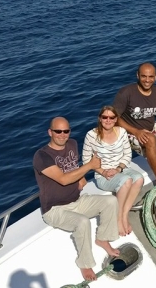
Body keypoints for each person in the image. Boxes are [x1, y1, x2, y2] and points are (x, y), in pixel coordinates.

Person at [33, 117, 119, 281]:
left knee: (110, 201)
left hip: (77, 200)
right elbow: (63, 179)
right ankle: (84, 263)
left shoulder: (72, 143)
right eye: (58, 131)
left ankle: (102, 239)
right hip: (55, 209)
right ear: (50, 132)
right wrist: (90, 166)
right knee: (82, 222)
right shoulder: (42, 156)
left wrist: (80, 177)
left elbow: (73, 166)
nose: (62, 135)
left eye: (66, 131)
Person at [82, 106, 144, 236]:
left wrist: (118, 169)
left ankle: (124, 214)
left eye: (111, 117)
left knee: (139, 179)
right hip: (102, 176)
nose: (108, 120)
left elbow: (127, 154)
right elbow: (86, 161)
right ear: (100, 118)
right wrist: (103, 172)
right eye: (105, 117)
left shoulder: (121, 132)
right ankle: (118, 219)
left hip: (121, 169)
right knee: (126, 181)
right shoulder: (91, 135)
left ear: (116, 119)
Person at [113, 62, 156, 184]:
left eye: (151, 77)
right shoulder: (126, 92)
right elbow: (114, 118)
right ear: (137, 75)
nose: (147, 80)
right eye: (144, 76)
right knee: (151, 139)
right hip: (131, 132)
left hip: (151, 127)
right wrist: (136, 132)